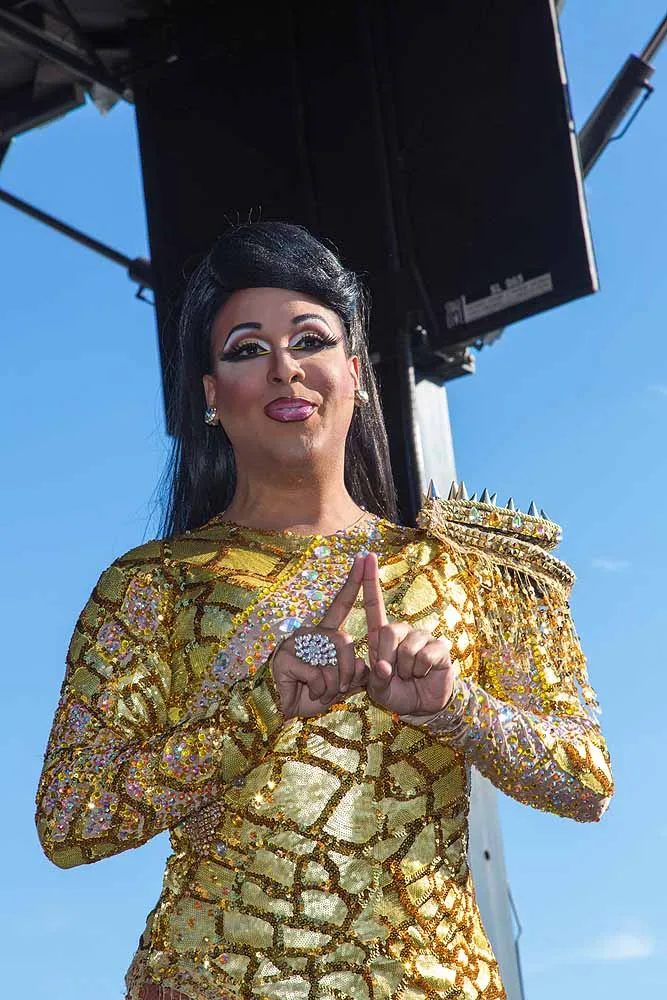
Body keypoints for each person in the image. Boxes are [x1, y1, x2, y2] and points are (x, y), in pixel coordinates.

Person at [36, 222, 613, 1000]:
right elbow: (70, 821)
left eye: (308, 340)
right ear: (211, 395)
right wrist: (254, 712)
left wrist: (455, 707)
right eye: (247, 349)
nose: (284, 368)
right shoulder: (151, 586)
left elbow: (584, 781)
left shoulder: (470, 568)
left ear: (354, 372)